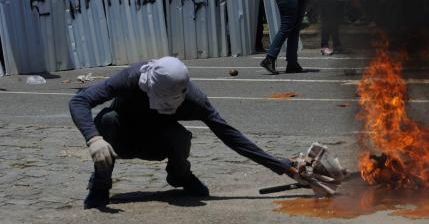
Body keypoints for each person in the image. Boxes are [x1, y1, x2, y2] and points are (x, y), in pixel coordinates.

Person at [69, 57, 294, 209]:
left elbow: (230, 135)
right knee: (108, 120)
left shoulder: (195, 100)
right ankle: (100, 185)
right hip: (120, 138)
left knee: (180, 136)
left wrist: (280, 166)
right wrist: (93, 138)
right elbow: (80, 100)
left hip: (156, 142)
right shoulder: (132, 78)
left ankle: (180, 176)